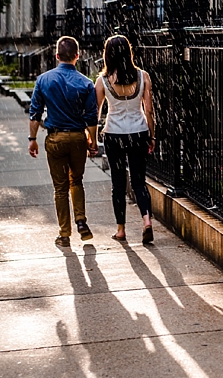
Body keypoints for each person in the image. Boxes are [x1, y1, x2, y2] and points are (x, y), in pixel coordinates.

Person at [28, 36, 98, 247]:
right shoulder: (86, 82)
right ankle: (81, 221)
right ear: (78, 56)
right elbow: (91, 117)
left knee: (60, 188)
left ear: (57, 56)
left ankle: (64, 234)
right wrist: (92, 141)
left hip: (55, 138)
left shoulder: (44, 80)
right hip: (78, 137)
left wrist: (32, 139)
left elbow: (35, 114)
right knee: (76, 181)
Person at [95, 34, 155, 244]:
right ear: (129, 53)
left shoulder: (102, 81)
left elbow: (96, 112)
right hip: (138, 132)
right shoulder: (143, 76)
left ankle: (121, 229)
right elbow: (149, 110)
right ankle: (146, 221)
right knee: (139, 181)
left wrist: (92, 140)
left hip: (114, 134)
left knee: (118, 183)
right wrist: (151, 135)